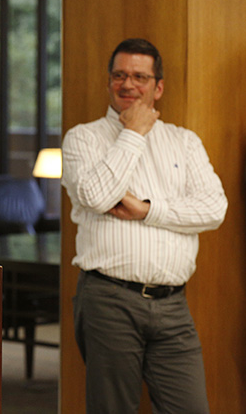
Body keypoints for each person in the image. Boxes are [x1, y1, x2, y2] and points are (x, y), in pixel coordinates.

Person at [61, 38, 227, 413]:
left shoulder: (184, 142)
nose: (127, 84)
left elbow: (214, 208)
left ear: (158, 86)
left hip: (173, 307)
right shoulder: (83, 139)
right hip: (109, 300)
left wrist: (146, 210)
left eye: (139, 76)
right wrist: (133, 133)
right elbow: (98, 196)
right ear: (108, 82)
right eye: (119, 75)